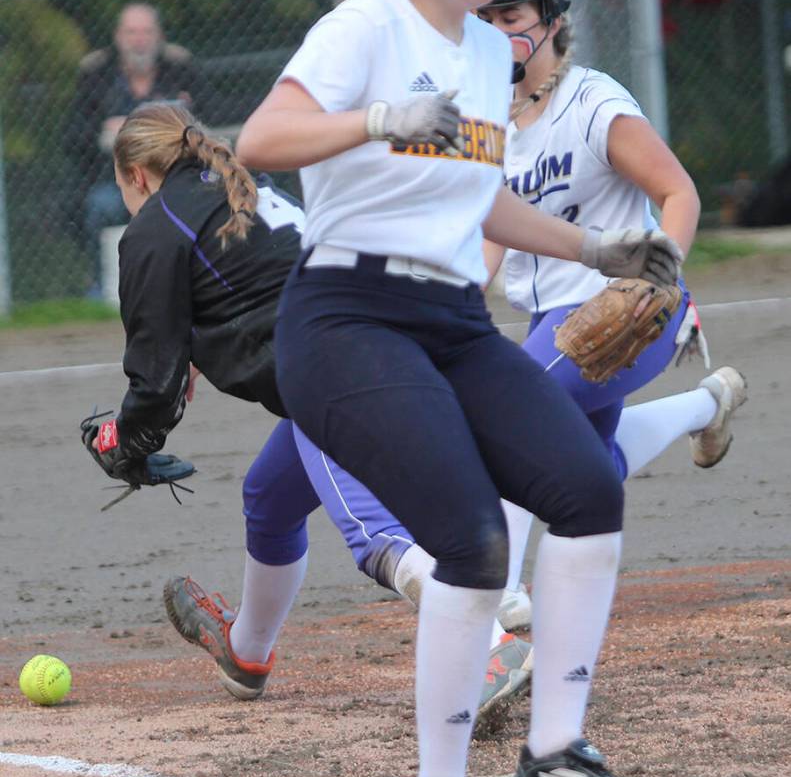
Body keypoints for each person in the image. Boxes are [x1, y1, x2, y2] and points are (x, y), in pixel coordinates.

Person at [234, 0, 682, 777]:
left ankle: (552, 759)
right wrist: (376, 118)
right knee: (472, 537)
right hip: (345, 315)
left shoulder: (487, 51)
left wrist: (597, 245)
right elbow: (260, 142)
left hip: (449, 317)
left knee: (583, 485)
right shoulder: (367, 26)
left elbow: (482, 195)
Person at [101, 100, 530, 736]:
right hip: (379, 325)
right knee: (270, 497)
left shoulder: (154, 226)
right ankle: (246, 652)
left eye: (122, 186)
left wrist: (122, 442)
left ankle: (492, 642)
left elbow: (155, 380)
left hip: (333, 366)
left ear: (137, 174)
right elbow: (236, 292)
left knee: (373, 533)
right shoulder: (236, 179)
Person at [463, 0, 748, 625]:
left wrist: (658, 276)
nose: (497, 30)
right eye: (485, 19)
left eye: (512, 16)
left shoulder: (593, 103)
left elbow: (678, 192)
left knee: (506, 412)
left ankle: (499, 596)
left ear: (552, 22)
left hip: (636, 309)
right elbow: (491, 234)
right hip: (549, 320)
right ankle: (708, 403)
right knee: (588, 469)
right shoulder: (486, 123)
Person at [66, 2, 198, 298]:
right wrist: (106, 129)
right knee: (101, 206)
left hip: (176, 178)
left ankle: (188, 281)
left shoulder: (180, 69)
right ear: (118, 36)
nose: (139, 40)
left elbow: (214, 115)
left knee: (195, 205)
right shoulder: (96, 73)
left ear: (159, 36)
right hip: (114, 179)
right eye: (131, 32)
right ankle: (102, 287)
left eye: (146, 32)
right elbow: (72, 135)